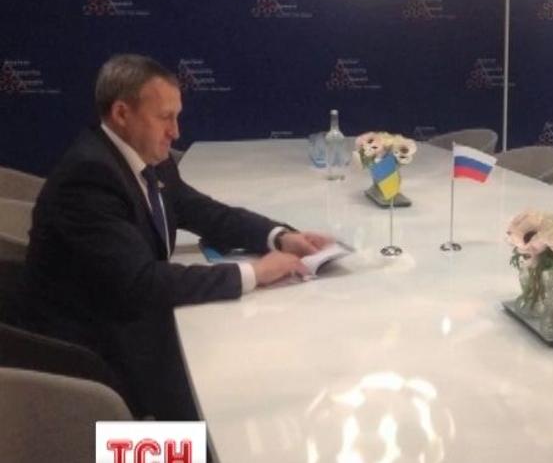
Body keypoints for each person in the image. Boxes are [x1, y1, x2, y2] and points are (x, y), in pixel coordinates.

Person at [12, 54, 331, 420]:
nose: (176, 132)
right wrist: (255, 273)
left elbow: (202, 211)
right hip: (91, 368)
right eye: (165, 117)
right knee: (226, 405)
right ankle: (179, 447)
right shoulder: (89, 178)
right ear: (121, 113)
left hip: (131, 329)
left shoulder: (145, 157)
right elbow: (141, 284)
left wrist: (279, 236)